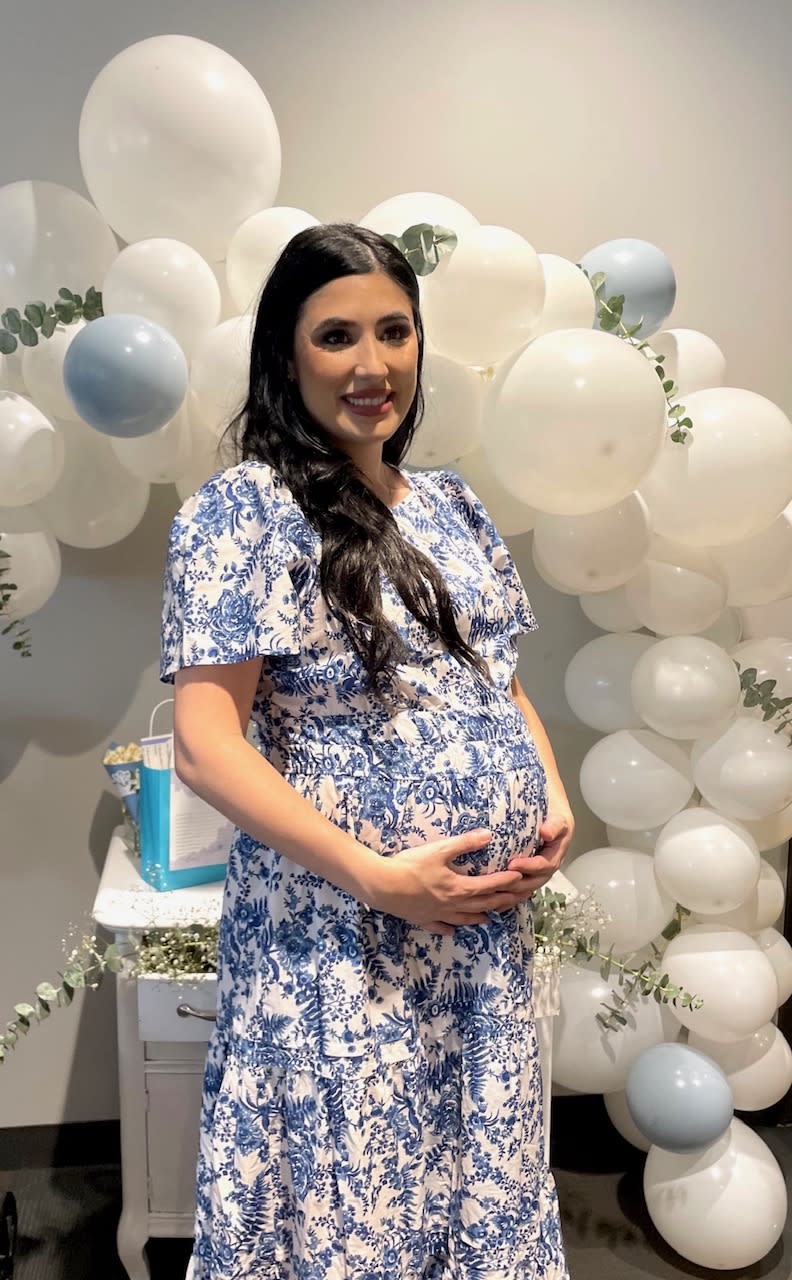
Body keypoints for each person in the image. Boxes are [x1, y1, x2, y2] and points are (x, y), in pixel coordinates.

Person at [161, 222, 573, 1280]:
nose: (372, 364)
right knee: (355, 1214)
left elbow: (499, 676)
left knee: (474, 1190)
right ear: (286, 355)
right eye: (337, 335)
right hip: (343, 942)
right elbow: (207, 747)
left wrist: (552, 788)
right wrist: (381, 878)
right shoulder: (241, 512)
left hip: (479, 948)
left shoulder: (453, 504)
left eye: (395, 330)